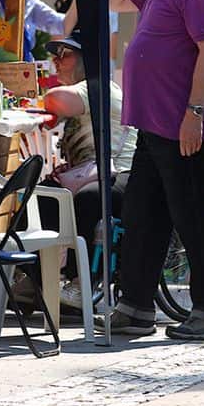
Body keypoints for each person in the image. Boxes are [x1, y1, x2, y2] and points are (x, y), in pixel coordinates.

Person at [107, 0, 204, 341]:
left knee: (193, 217)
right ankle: (136, 306)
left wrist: (194, 113)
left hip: (181, 122)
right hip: (153, 123)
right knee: (144, 216)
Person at [35, 30, 137, 307]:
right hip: (93, 172)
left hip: (122, 173)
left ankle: (82, 283)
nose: (56, 61)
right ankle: (36, 279)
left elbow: (55, 98)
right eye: (55, 55)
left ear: (85, 60)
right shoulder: (86, 88)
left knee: (88, 199)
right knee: (37, 196)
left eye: (64, 55)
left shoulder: (96, 86)